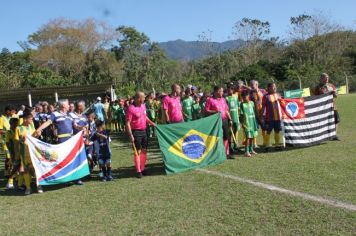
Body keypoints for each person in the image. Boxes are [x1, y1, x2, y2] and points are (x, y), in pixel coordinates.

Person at [36, 99, 85, 185]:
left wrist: (82, 128)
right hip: (62, 140)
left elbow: (75, 126)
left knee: (74, 159)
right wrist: (39, 129)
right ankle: (65, 179)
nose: (69, 105)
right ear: (63, 106)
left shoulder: (69, 115)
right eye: (68, 104)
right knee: (63, 160)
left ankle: (76, 178)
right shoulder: (55, 114)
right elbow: (48, 122)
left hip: (72, 140)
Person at [126, 91, 155, 178]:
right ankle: (138, 171)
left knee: (144, 150)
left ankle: (143, 168)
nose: (144, 99)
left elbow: (145, 117)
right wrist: (130, 135)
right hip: (136, 132)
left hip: (144, 131)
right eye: (143, 97)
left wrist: (153, 124)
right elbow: (127, 123)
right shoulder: (131, 108)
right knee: (137, 151)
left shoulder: (143, 106)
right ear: (139, 98)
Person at [14, 112, 41, 195]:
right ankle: (28, 188)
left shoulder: (31, 127)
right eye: (31, 119)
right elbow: (16, 142)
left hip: (33, 152)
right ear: (25, 119)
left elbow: (33, 138)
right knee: (26, 170)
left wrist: (38, 135)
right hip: (23, 152)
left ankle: (39, 186)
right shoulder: (18, 128)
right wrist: (21, 141)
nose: (32, 120)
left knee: (36, 169)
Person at [205, 86, 233, 158]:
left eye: (222, 91)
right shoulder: (210, 100)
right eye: (221, 91)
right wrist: (215, 111)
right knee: (216, 137)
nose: (222, 93)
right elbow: (206, 110)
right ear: (216, 91)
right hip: (216, 122)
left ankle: (226, 153)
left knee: (226, 137)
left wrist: (230, 119)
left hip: (224, 121)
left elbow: (226, 110)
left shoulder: (223, 99)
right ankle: (215, 154)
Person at [314, 73, 340, 141]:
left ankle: (334, 135)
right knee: (323, 122)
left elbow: (336, 96)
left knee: (336, 120)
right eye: (325, 78)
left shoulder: (331, 86)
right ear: (321, 78)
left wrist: (334, 94)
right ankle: (322, 135)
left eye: (327, 77)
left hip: (332, 106)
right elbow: (315, 98)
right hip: (323, 108)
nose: (327, 79)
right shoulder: (318, 87)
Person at [262, 82, 282, 150]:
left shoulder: (278, 95)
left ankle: (277, 145)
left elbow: (283, 104)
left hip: (278, 117)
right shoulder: (266, 96)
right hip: (269, 118)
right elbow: (263, 107)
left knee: (277, 131)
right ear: (269, 88)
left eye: (275, 86)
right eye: (273, 86)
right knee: (268, 131)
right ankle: (267, 145)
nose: (275, 88)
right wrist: (261, 116)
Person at [240, 91, 259, 157]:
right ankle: (246, 151)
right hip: (247, 123)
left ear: (248, 96)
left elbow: (254, 111)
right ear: (242, 97)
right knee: (248, 137)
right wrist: (242, 123)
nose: (245, 98)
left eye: (246, 96)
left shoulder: (252, 103)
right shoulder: (242, 104)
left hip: (252, 121)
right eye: (244, 97)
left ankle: (251, 149)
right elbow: (241, 115)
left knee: (252, 136)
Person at [5, 117, 19, 189]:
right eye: (15, 124)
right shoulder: (9, 132)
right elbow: (7, 143)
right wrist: (11, 152)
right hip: (14, 151)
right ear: (11, 124)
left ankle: (18, 180)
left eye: (17, 123)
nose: (17, 125)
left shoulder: (18, 130)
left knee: (18, 166)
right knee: (15, 166)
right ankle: (10, 182)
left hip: (20, 150)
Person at [226, 85, 241, 153]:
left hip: (236, 118)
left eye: (231, 89)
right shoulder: (226, 98)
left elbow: (238, 107)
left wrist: (239, 116)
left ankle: (236, 146)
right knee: (229, 133)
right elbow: (226, 109)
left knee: (236, 132)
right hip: (230, 118)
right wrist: (228, 119)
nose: (230, 90)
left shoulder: (235, 97)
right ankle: (230, 147)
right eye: (229, 89)